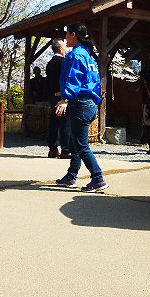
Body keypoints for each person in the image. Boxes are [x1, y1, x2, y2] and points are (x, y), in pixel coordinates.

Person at [54, 22, 108, 192]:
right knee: (75, 142)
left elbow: (74, 78)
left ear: (73, 35)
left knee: (81, 145)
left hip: (81, 104)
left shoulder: (76, 55)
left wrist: (65, 98)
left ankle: (98, 178)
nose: (65, 38)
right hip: (89, 103)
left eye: (67, 34)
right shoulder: (88, 55)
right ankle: (71, 176)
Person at [45, 39, 71, 159]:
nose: (66, 48)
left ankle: (53, 149)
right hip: (63, 97)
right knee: (65, 123)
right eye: (65, 46)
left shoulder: (50, 63)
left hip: (53, 97)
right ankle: (66, 150)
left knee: (54, 123)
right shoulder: (64, 62)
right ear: (61, 48)